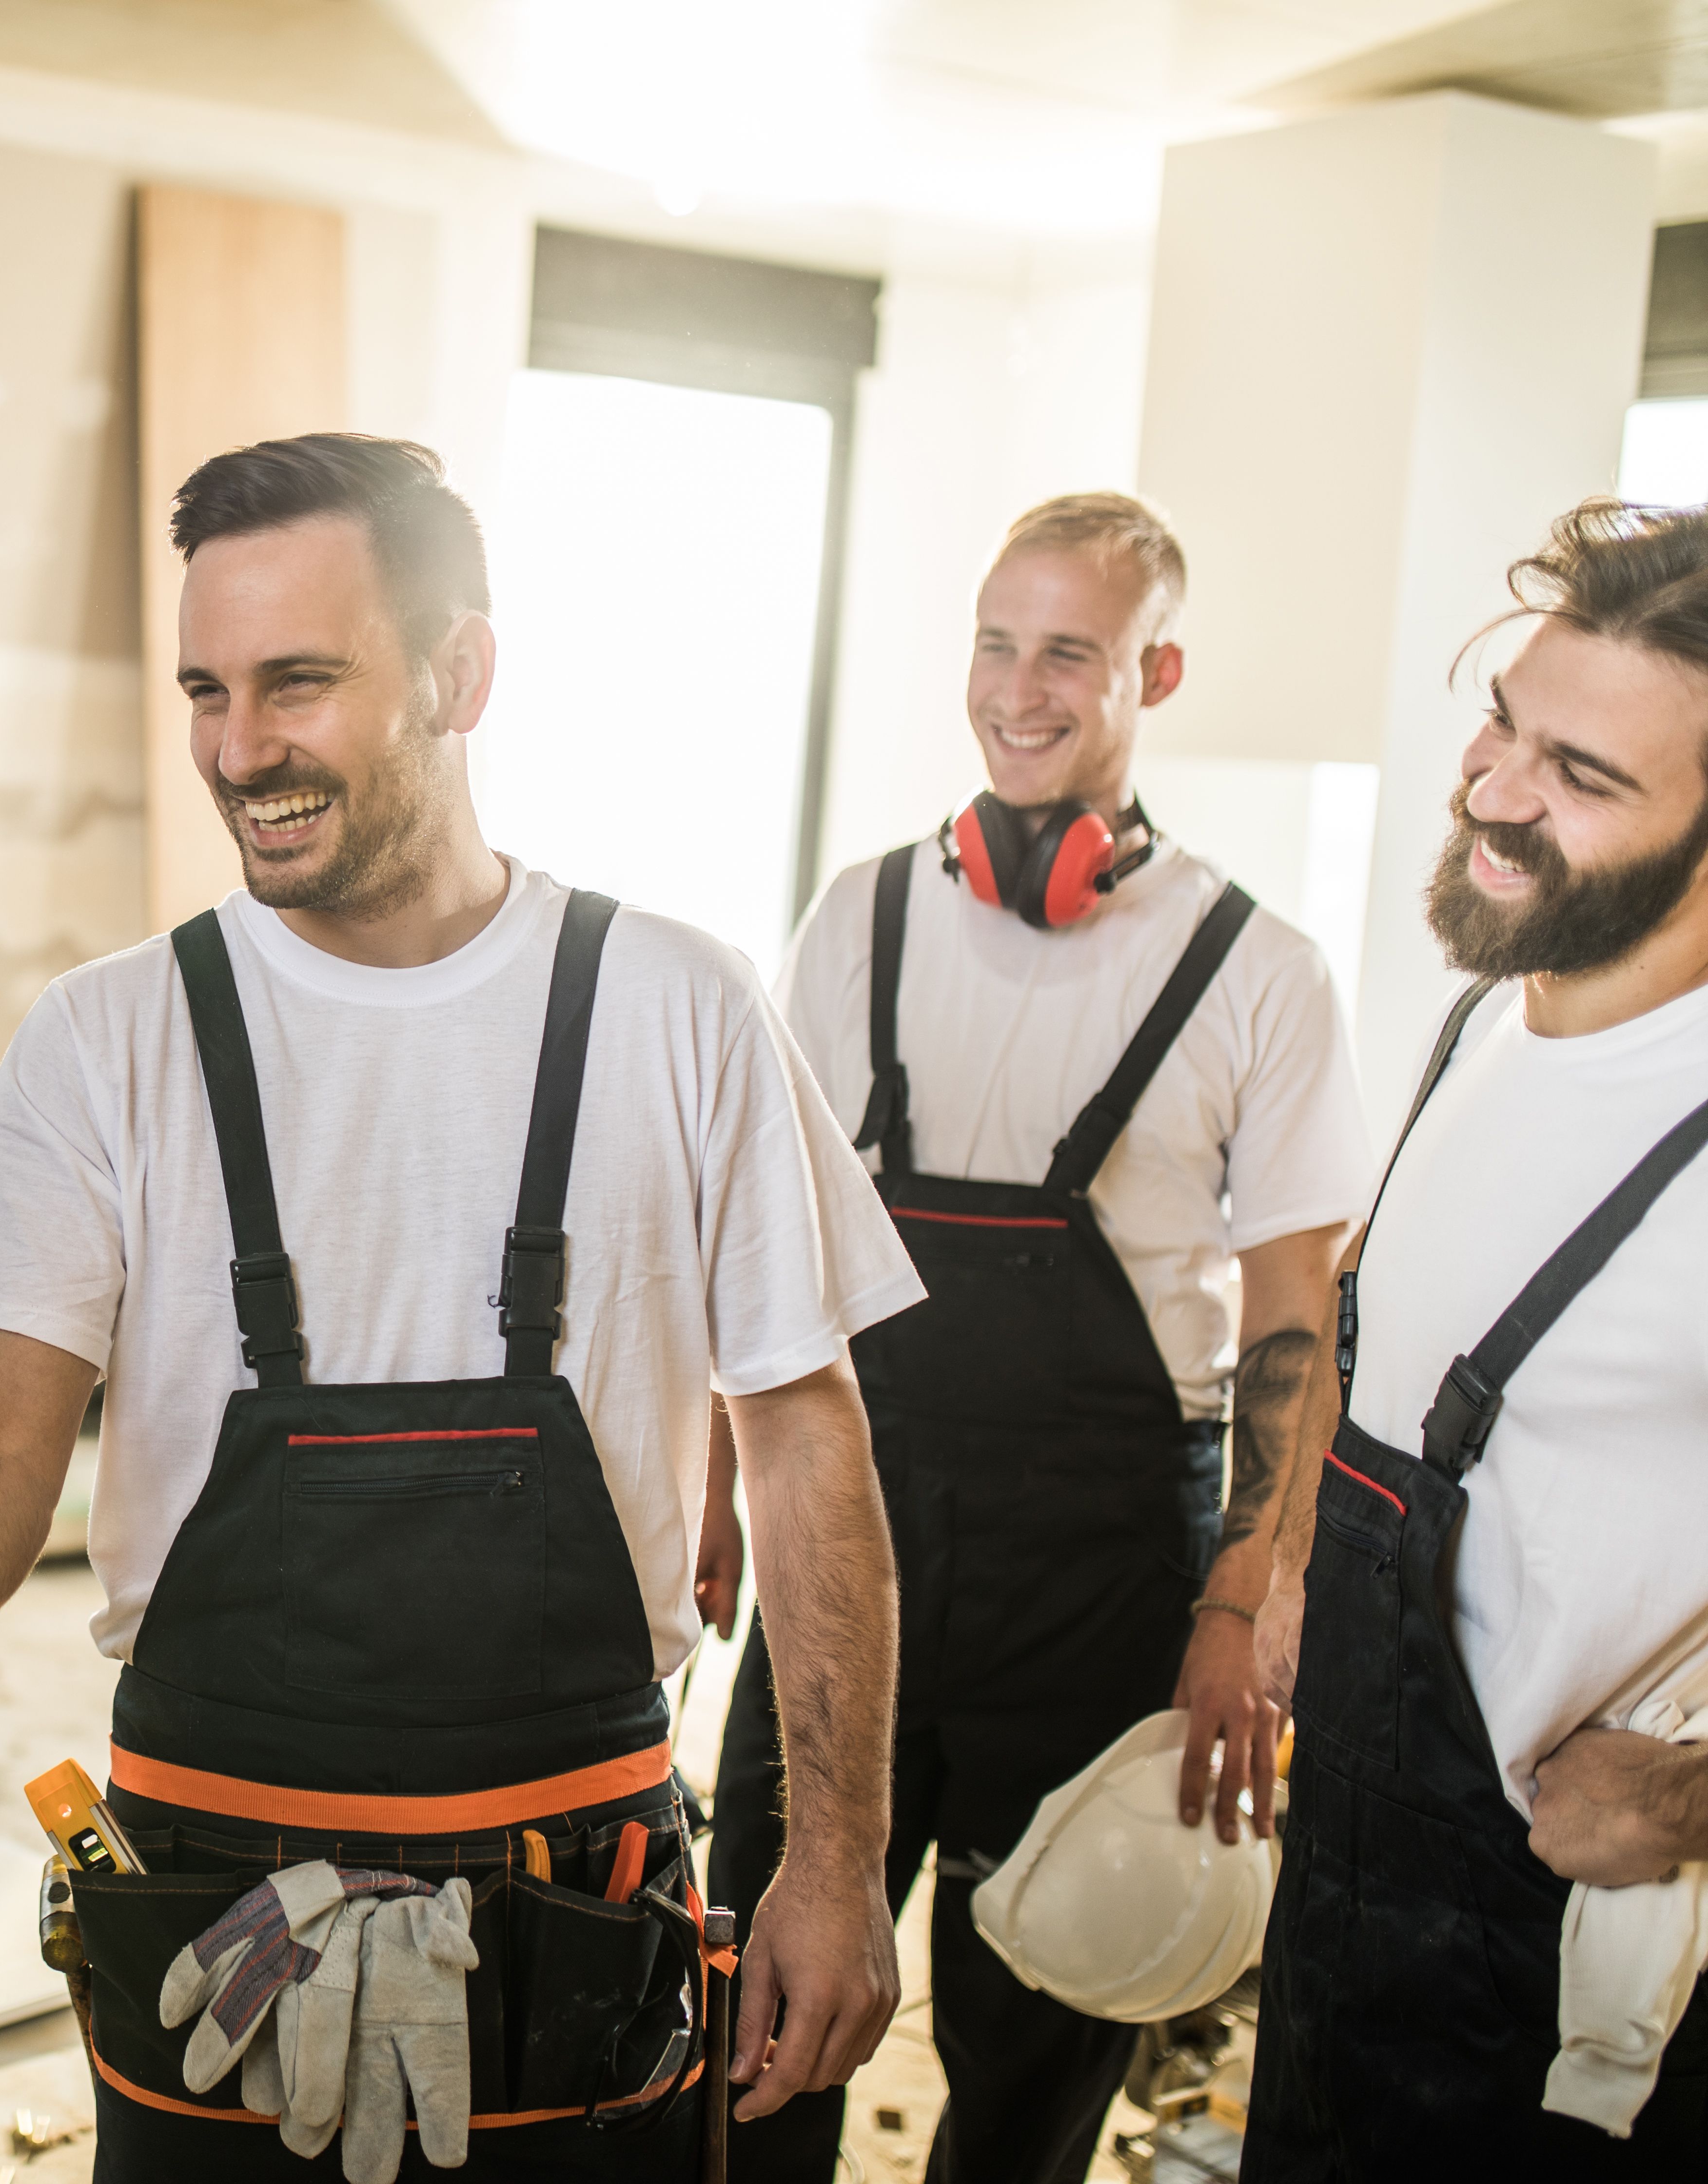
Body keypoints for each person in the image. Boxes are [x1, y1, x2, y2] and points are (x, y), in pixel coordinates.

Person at [0, 432, 922, 2179]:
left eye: (299, 684)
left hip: (586, 1913)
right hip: (207, 1929)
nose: (240, 749)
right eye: (208, 690)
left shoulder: (679, 1011)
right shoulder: (108, 1040)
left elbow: (803, 1439)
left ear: (460, 673)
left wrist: (836, 1858)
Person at [702, 492, 1368, 2183]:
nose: (1018, 689)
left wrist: (1251, 1606)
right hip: (858, 1532)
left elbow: (1298, 1316)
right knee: (754, 2010)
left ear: (1157, 670)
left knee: (1037, 2035)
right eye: (996, 645)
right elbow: (764, 1234)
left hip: (1102, 1578)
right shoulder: (861, 917)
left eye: (1067, 652)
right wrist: (713, 1482)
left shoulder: (1257, 972)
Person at [1248, 500, 1708, 2175]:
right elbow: (1389, 1357)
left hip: (1558, 2010)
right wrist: (1293, 1567)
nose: (1495, 793)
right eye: (1507, 727)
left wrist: (1678, 1803)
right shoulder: (1480, 1020)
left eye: (1582, 780)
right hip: (1347, 1920)